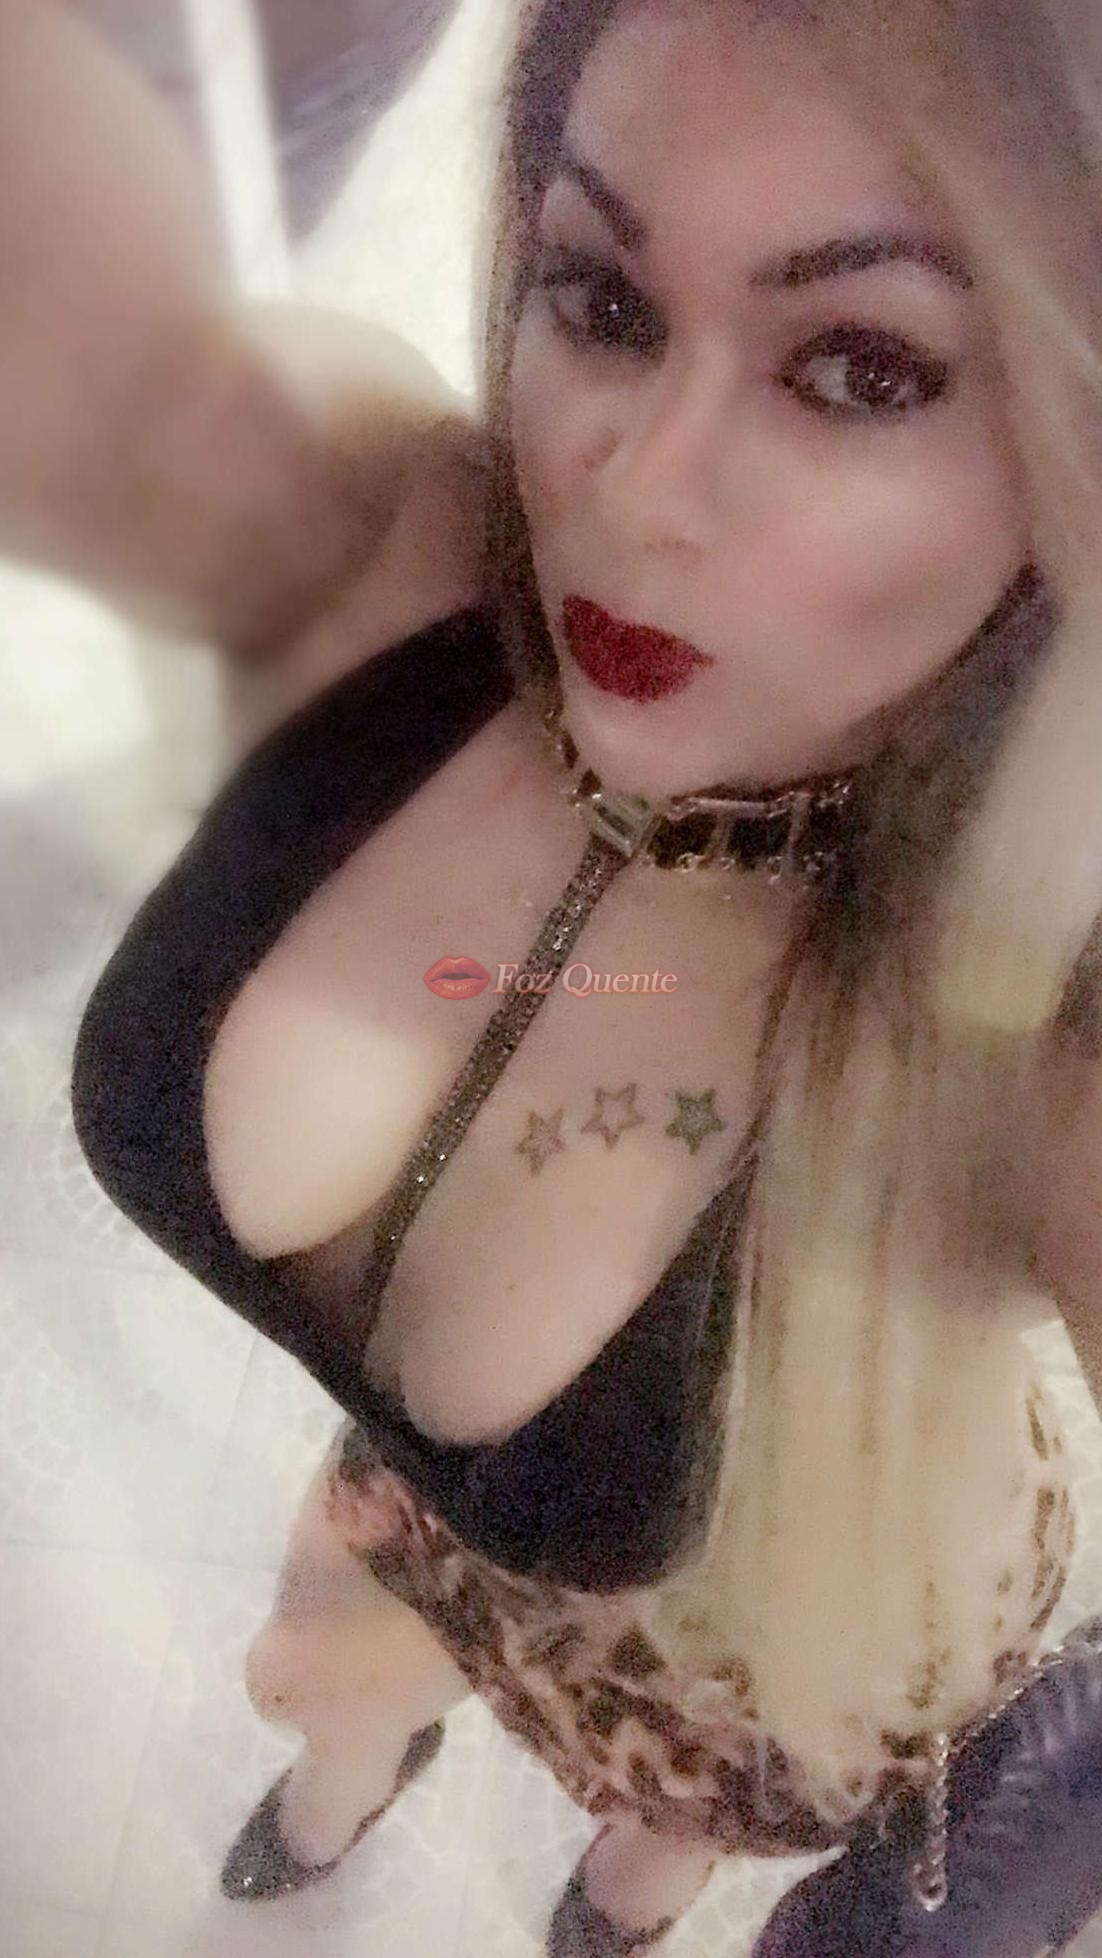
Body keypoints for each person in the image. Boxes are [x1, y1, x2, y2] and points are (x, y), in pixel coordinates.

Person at [11, 0, 1102, 1952]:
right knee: (315, 1677)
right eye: (601, 298)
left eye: (858, 366)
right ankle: (355, 1787)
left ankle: (622, 1903)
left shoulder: (1038, 1037)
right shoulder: (387, 544)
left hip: (771, 1631)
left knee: (657, 1828)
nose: (635, 487)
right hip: (428, 1511)